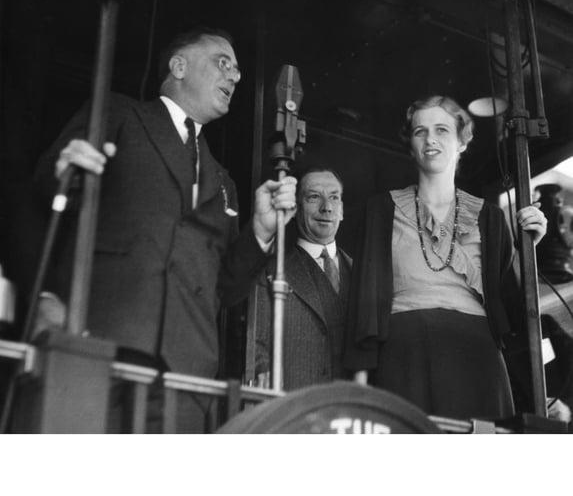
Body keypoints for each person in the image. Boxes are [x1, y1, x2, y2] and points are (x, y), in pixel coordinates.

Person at [33, 26, 297, 432]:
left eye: (238, 71)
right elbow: (47, 193)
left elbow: (225, 288)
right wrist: (63, 171)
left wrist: (260, 232)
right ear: (179, 66)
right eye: (222, 63)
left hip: (186, 369)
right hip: (101, 340)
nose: (234, 76)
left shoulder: (222, 180)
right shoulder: (118, 114)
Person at [344, 95, 547, 421]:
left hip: (477, 360)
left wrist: (529, 249)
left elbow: (515, 311)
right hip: (404, 358)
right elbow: (364, 309)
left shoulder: (491, 218)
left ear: (462, 142)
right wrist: (359, 394)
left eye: (442, 129)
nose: (430, 139)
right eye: (420, 131)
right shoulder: (381, 210)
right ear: (410, 145)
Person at [255, 167, 352, 390]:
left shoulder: (361, 273)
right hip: (295, 402)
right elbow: (256, 344)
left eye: (334, 197)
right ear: (296, 208)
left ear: (342, 210)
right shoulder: (271, 269)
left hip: (348, 405)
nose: (326, 207)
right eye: (314, 197)